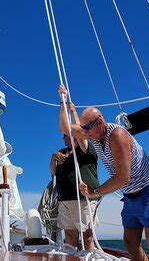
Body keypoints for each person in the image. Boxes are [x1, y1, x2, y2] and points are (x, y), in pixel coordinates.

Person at [58, 85, 149, 261]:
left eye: (88, 128)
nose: (85, 133)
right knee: (130, 242)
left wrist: (94, 192)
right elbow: (65, 129)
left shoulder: (117, 135)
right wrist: (62, 100)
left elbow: (122, 177)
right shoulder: (93, 134)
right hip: (130, 194)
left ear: (100, 122)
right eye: (84, 128)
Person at [50, 86, 100, 251]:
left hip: (84, 199)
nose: (67, 136)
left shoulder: (85, 148)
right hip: (65, 199)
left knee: (87, 237)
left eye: (69, 134)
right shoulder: (62, 152)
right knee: (70, 237)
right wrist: (53, 158)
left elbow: (79, 132)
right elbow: (52, 173)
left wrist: (71, 110)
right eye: (66, 135)